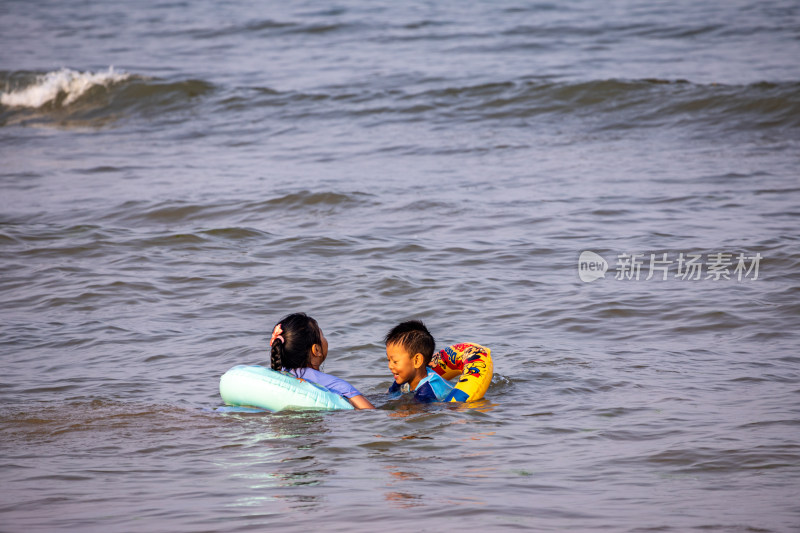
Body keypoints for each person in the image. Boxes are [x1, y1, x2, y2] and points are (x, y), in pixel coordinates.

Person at [270, 313, 374, 409]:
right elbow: (369, 412)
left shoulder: (279, 375)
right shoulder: (336, 385)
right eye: (322, 335)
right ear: (316, 350)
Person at [385, 320, 454, 402]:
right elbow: (385, 397)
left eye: (395, 361)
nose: (390, 366)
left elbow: (418, 411)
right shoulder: (405, 378)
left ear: (417, 361)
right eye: (389, 360)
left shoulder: (428, 390)